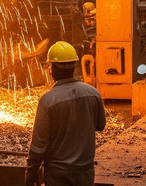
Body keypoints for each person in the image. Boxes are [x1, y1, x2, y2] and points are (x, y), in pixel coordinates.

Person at [26, 41, 107, 186]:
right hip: (84, 171)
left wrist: (30, 173)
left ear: (52, 68)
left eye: (50, 66)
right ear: (74, 66)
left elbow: (38, 146)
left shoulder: (48, 101)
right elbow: (100, 125)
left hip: (58, 174)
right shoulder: (93, 94)